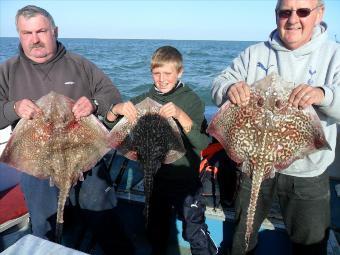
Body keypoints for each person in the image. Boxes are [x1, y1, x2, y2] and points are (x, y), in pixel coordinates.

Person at [0, 5, 134, 254]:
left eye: (41, 31)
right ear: (18, 35)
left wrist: (94, 104)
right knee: (45, 226)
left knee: (104, 218)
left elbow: (112, 99)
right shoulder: (7, 71)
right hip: (38, 163)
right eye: (27, 33)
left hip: (85, 158)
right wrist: (13, 107)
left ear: (55, 31)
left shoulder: (80, 65)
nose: (35, 39)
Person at [211, 0, 340, 254]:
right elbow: (219, 83)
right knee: (242, 237)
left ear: (319, 13)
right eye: (285, 12)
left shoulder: (334, 55)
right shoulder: (254, 54)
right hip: (251, 165)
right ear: (276, 15)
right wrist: (229, 89)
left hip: (308, 172)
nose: (293, 19)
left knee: (310, 244)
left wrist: (322, 94)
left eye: (303, 11)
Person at [104, 45, 218, 255]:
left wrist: (181, 116)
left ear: (179, 72)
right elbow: (113, 132)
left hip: (185, 179)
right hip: (153, 177)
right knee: (155, 230)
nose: (162, 79)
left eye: (168, 73)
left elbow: (202, 143)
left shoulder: (191, 100)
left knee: (194, 231)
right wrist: (115, 110)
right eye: (157, 73)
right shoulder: (142, 100)